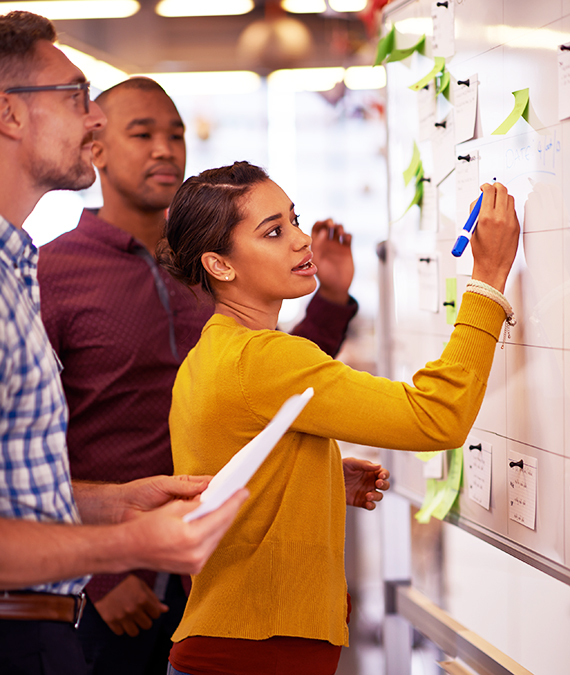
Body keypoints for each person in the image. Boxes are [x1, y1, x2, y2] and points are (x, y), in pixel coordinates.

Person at [37, 76, 388, 673]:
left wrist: (329, 298)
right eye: (141, 133)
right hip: (121, 581)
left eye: (175, 133)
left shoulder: (213, 267)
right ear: (94, 147)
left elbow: (282, 389)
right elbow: (31, 434)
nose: (165, 149)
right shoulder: (54, 270)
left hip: (228, 568)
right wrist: (100, 573)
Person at [157, 160, 520, 675]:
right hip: (256, 655)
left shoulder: (213, 353)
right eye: (274, 231)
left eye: (294, 219)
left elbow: (227, 479)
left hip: (233, 645)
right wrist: (486, 281)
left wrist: (315, 475)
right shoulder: (265, 358)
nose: (302, 240)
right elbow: (435, 418)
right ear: (220, 265)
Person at [0, 11, 249, 675]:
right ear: (10, 115)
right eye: (77, 98)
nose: (91, 122)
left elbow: (23, 480)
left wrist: (118, 502)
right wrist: (115, 554)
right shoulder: (47, 269)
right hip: (57, 614)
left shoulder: (15, 267)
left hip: (126, 600)